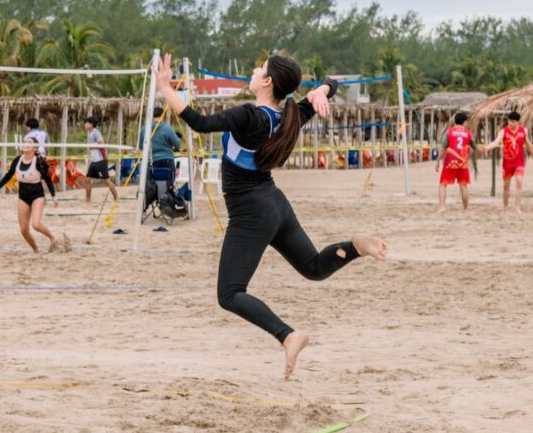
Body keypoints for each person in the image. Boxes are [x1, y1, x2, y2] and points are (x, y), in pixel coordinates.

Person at [156, 53, 388, 379]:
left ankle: (288, 335)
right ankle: (354, 246)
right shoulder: (289, 114)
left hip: (252, 211)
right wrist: (322, 89)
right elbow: (332, 84)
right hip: (275, 204)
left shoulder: (250, 116)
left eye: (260, 68)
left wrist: (165, 88)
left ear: (267, 82)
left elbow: (201, 123)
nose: (253, 70)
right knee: (314, 267)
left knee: (230, 294)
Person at [0, 135, 60, 253]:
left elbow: (48, 179)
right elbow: (8, 175)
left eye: (29, 142)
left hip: (37, 196)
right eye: (25, 142)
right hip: (23, 196)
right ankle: (36, 249)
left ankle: (53, 238)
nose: (25, 144)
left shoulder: (39, 162)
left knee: (35, 224)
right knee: (24, 230)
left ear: (34, 148)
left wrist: (54, 197)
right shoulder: (17, 160)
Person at [482, 112, 533, 213]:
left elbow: (529, 144)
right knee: (506, 187)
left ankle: (517, 207)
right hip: (507, 162)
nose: (510, 123)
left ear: (518, 122)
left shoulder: (523, 130)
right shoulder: (503, 131)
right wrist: (487, 147)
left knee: (519, 182)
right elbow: (496, 142)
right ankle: (505, 207)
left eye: (513, 121)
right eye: (509, 121)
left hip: (519, 162)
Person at [436, 112, 474, 213]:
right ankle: (465, 208)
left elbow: (443, 148)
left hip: (450, 162)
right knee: (463, 186)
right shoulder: (468, 133)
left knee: (443, 184)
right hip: (462, 163)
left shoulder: (449, 132)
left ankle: (442, 207)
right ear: (465, 122)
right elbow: (474, 147)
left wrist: (438, 161)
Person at [83, 116, 118, 203]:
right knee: (87, 179)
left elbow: (102, 144)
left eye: (86, 123)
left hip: (101, 161)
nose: (85, 124)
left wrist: (91, 146)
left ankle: (116, 198)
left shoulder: (96, 132)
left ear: (91, 124)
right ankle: (88, 200)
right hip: (94, 162)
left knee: (106, 181)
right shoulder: (90, 134)